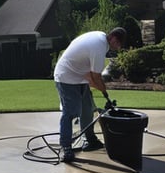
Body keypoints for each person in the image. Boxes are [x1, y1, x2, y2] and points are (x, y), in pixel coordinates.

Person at [53, 27, 127, 163]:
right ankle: (66, 147)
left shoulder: (101, 39)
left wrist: (98, 87)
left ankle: (90, 140)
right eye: (118, 44)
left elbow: (91, 78)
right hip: (66, 76)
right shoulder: (99, 46)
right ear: (113, 38)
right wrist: (105, 92)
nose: (117, 48)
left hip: (80, 75)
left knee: (87, 109)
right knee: (70, 112)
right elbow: (96, 77)